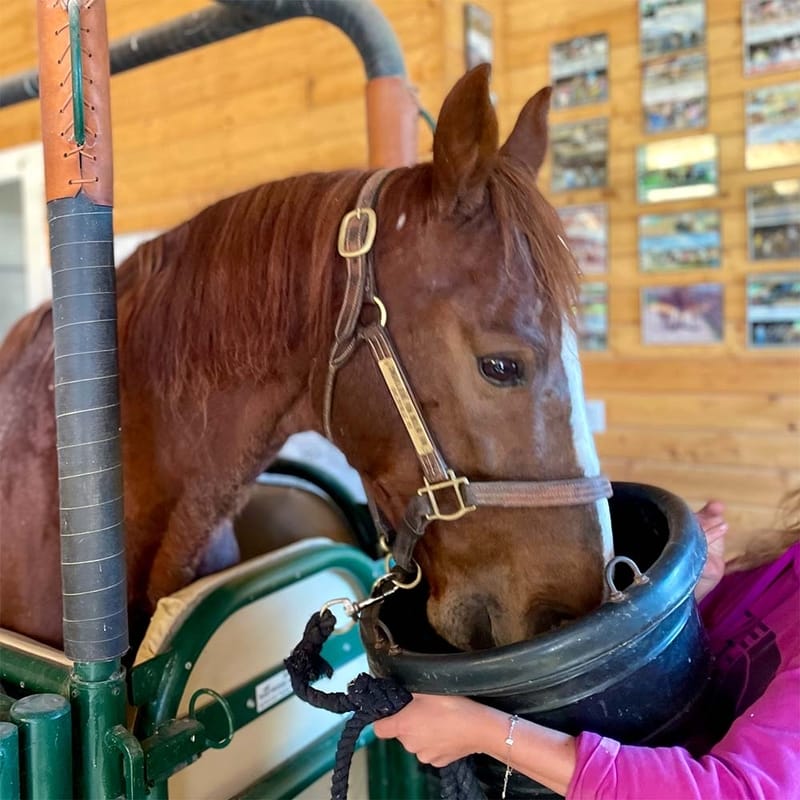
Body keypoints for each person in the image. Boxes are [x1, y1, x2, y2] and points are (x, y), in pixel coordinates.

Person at [373, 494, 800, 798]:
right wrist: (689, 597)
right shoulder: (784, 568)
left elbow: (733, 791)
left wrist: (483, 731)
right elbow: (715, 671)